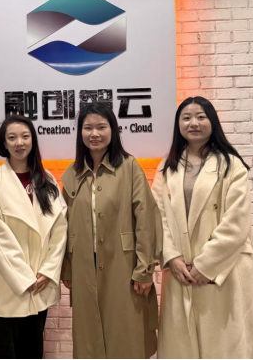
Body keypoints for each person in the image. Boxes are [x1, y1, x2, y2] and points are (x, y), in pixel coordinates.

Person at [152, 96, 253, 359]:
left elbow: (237, 221)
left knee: (224, 345)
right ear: (178, 125)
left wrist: (205, 264)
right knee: (181, 347)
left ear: (212, 121)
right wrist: (172, 256)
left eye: (201, 117)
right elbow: (157, 216)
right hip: (180, 270)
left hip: (223, 269)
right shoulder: (167, 168)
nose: (194, 123)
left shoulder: (231, 165)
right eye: (186, 118)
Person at [60, 103, 161, 359]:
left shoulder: (129, 166)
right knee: (88, 336)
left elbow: (146, 218)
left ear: (113, 130)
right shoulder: (71, 173)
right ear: (80, 133)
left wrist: (144, 269)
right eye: (87, 128)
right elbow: (64, 225)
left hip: (123, 262)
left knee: (125, 332)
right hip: (84, 264)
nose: (94, 133)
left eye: (101, 127)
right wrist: (67, 268)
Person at [0, 115, 68, 359]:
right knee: (4, 352)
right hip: (6, 284)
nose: (19, 142)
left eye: (25, 136)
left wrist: (48, 271)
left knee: (33, 352)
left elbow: (59, 229)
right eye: (12, 137)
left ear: (33, 140)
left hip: (39, 284)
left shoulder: (47, 179)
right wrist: (23, 277)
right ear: (4, 144)